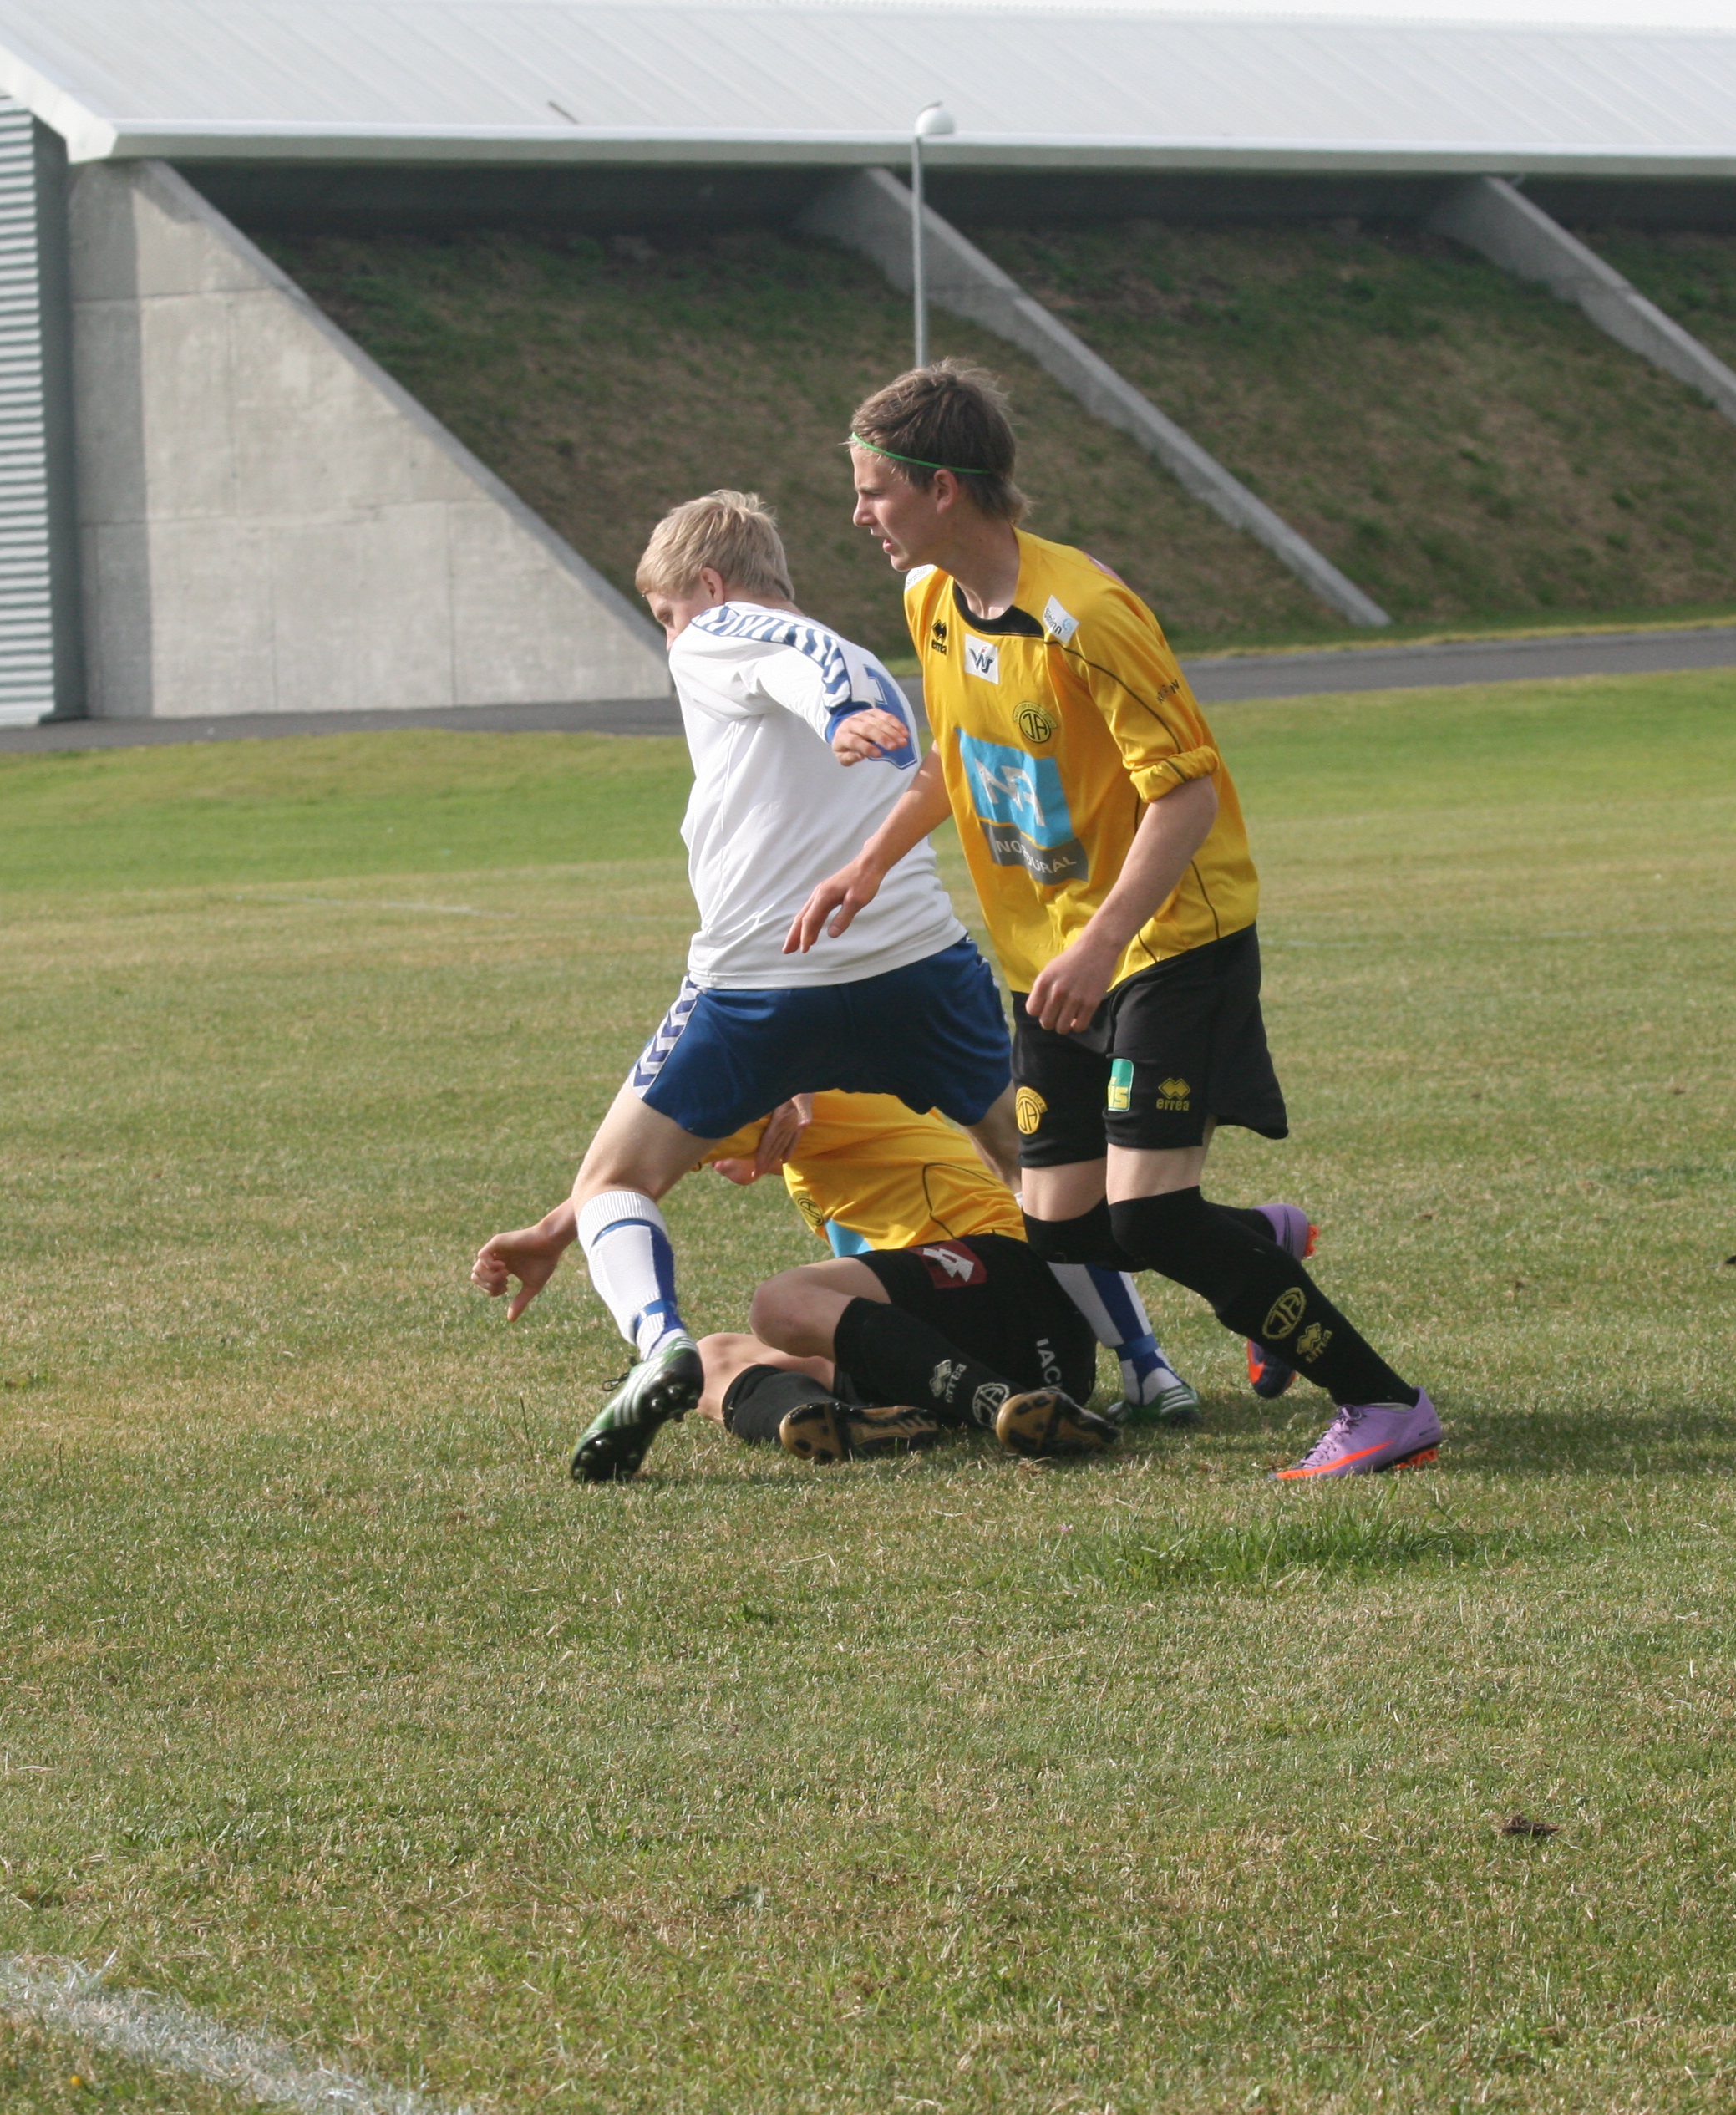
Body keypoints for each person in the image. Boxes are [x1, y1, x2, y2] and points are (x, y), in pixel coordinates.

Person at [791, 365, 1442, 1479]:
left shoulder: (1087, 616)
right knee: (1062, 1225)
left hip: (1166, 944)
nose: (858, 515)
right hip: (1050, 961)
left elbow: (1186, 796)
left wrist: (1102, 945)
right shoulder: (932, 601)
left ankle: (1384, 1403)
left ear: (943, 488)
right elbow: (956, 755)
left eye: (873, 491)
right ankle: (1259, 1243)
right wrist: (867, 864)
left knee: (1150, 1220)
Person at [471, 490, 1021, 1482]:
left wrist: (837, 712)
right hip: (917, 967)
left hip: (764, 979)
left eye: (666, 615)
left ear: (709, 585)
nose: (672, 640)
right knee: (1038, 1163)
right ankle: (1148, 1365)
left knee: (616, 1182)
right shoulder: (869, 663)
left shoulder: (726, 634)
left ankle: (658, 1345)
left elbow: (788, 657)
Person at [475, 1091, 1127, 1468]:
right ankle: (836, 1421)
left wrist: (547, 1235)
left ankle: (999, 1404)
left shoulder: (811, 1094)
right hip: (967, 1344)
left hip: (1015, 1285)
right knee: (713, 1356)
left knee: (782, 1304)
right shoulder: (809, 1132)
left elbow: (641, 1156)